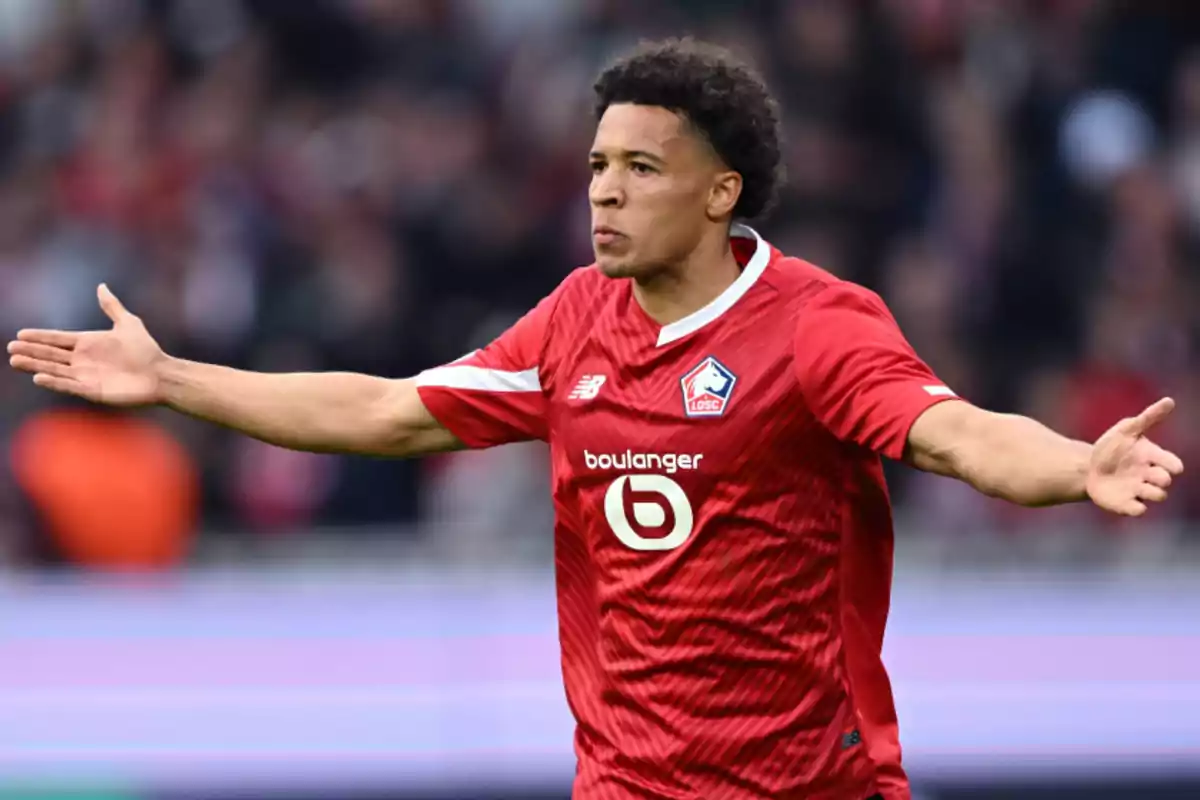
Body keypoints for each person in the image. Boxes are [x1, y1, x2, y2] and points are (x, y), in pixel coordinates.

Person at [6, 38, 1184, 800]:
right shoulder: (577, 320)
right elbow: (387, 409)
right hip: (621, 784)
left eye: (640, 168)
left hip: (811, 786)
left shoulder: (818, 327)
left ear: (721, 191)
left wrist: (1078, 463)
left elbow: (960, 434)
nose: (604, 190)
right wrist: (173, 380)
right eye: (595, 163)